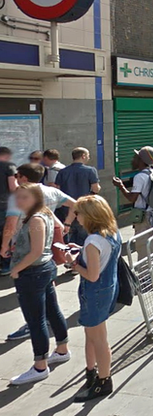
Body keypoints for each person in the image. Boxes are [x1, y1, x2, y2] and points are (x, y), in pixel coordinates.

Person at [6, 183, 71, 386]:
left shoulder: (35, 218)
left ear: (35, 198)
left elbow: (36, 251)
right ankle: (62, 350)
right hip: (43, 268)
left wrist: (16, 269)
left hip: (33, 272)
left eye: (24, 197)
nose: (19, 201)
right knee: (52, 311)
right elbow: (41, 243)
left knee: (36, 320)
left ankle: (40, 366)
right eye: (17, 197)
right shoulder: (44, 214)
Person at [64, 195, 121, 402]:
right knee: (93, 335)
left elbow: (92, 275)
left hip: (94, 292)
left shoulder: (92, 241)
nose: (76, 216)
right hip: (108, 289)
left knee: (99, 340)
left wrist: (72, 263)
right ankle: (91, 373)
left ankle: (104, 381)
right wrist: (83, 253)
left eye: (78, 212)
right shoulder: (112, 233)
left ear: (89, 215)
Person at [113, 147, 153, 260]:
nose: (132, 160)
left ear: (141, 160)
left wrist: (120, 186)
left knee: (143, 246)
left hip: (145, 217)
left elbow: (132, 198)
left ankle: (145, 274)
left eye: (135, 157)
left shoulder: (139, 177)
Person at [53, 147, 101, 246]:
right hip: (84, 209)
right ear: (83, 156)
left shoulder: (63, 172)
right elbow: (95, 188)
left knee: (67, 239)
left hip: (65, 210)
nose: (88, 157)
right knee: (84, 238)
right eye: (88, 155)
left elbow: (57, 189)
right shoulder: (90, 171)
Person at [0, 147, 17, 275]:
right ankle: (6, 264)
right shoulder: (8, 166)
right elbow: (12, 187)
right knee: (6, 232)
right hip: (4, 204)